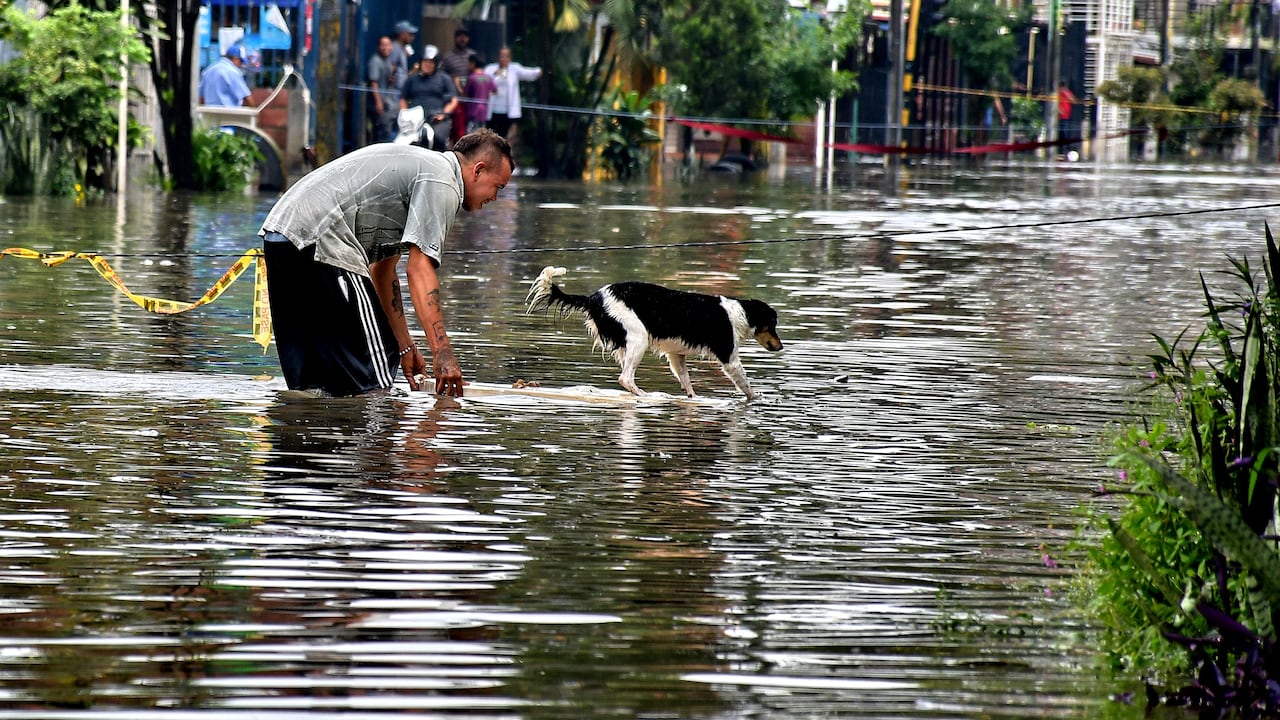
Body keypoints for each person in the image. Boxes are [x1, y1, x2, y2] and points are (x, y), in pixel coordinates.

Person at [258, 129, 515, 399]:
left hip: (282, 236)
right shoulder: (444, 181)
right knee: (375, 377)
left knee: (312, 386)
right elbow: (418, 269)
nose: (495, 198)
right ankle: (380, 437)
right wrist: (443, 353)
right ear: (478, 170)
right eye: (497, 187)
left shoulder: (420, 169)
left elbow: (382, 271)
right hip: (321, 239)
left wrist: (405, 345)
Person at [399, 45, 457, 152]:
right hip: (415, 119)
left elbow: (454, 100)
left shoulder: (444, 79)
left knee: (438, 139)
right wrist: (405, 114)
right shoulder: (412, 79)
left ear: (436, 64)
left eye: (430, 62)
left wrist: (444, 114)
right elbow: (403, 98)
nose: (427, 64)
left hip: (436, 118)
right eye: (425, 61)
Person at [484, 47, 542, 144]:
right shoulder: (490, 68)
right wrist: (495, 74)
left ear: (510, 58)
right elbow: (483, 80)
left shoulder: (514, 69)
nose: (503, 58)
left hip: (507, 110)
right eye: (501, 56)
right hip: (492, 110)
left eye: (506, 56)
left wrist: (540, 71)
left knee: (503, 137)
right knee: (490, 136)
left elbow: (528, 73)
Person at [439, 28, 477, 145]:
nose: (462, 39)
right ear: (455, 38)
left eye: (465, 36)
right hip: (455, 100)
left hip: (471, 100)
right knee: (456, 129)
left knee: (471, 129)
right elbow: (441, 76)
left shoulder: (472, 55)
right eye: (460, 36)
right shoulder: (448, 57)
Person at [366, 35, 400, 143]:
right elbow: (374, 83)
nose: (386, 48)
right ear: (379, 47)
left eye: (389, 45)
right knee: (381, 131)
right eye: (383, 45)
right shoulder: (375, 61)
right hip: (379, 104)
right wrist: (378, 102)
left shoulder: (388, 60)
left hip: (388, 103)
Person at [462, 55, 497, 133]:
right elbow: (495, 90)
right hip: (483, 112)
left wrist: (458, 85)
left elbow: (465, 94)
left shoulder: (472, 78)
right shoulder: (487, 77)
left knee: (470, 136)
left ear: (473, 63)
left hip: (473, 112)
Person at [390, 20, 418, 91]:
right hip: (395, 91)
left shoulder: (403, 48)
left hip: (401, 90)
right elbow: (392, 69)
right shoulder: (395, 48)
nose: (412, 37)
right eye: (410, 34)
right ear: (402, 34)